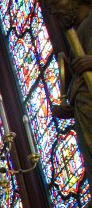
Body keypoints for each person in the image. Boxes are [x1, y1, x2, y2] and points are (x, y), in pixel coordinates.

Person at [48, 0, 92, 175]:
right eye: (50, 8)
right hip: (84, 109)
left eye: (56, 2)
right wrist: (71, 108)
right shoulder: (76, 32)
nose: (55, 11)